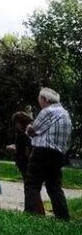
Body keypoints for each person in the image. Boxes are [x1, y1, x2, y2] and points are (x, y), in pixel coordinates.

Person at [24, 87, 72, 220]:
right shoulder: (65, 113)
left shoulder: (48, 111)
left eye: (40, 99)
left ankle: (31, 215)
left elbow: (33, 129)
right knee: (54, 186)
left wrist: (28, 128)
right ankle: (63, 217)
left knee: (32, 184)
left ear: (45, 99)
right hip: (58, 153)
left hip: (43, 151)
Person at [6, 111, 34, 178]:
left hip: (25, 162)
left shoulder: (23, 135)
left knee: (28, 181)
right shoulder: (25, 132)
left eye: (16, 123)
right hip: (25, 162)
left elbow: (26, 150)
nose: (15, 125)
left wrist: (13, 148)